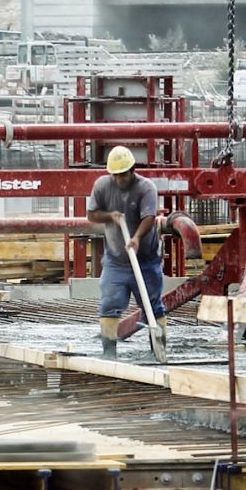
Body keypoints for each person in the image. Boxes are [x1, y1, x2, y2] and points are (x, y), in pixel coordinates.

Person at [86, 145, 166, 357]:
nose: (120, 179)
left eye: (123, 174)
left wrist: (137, 238)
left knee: (153, 305)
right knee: (109, 303)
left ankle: (158, 349)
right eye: (116, 175)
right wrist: (110, 216)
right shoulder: (103, 186)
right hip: (116, 260)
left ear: (132, 170)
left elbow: (149, 217)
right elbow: (92, 215)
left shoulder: (145, 187)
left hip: (145, 260)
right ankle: (109, 353)